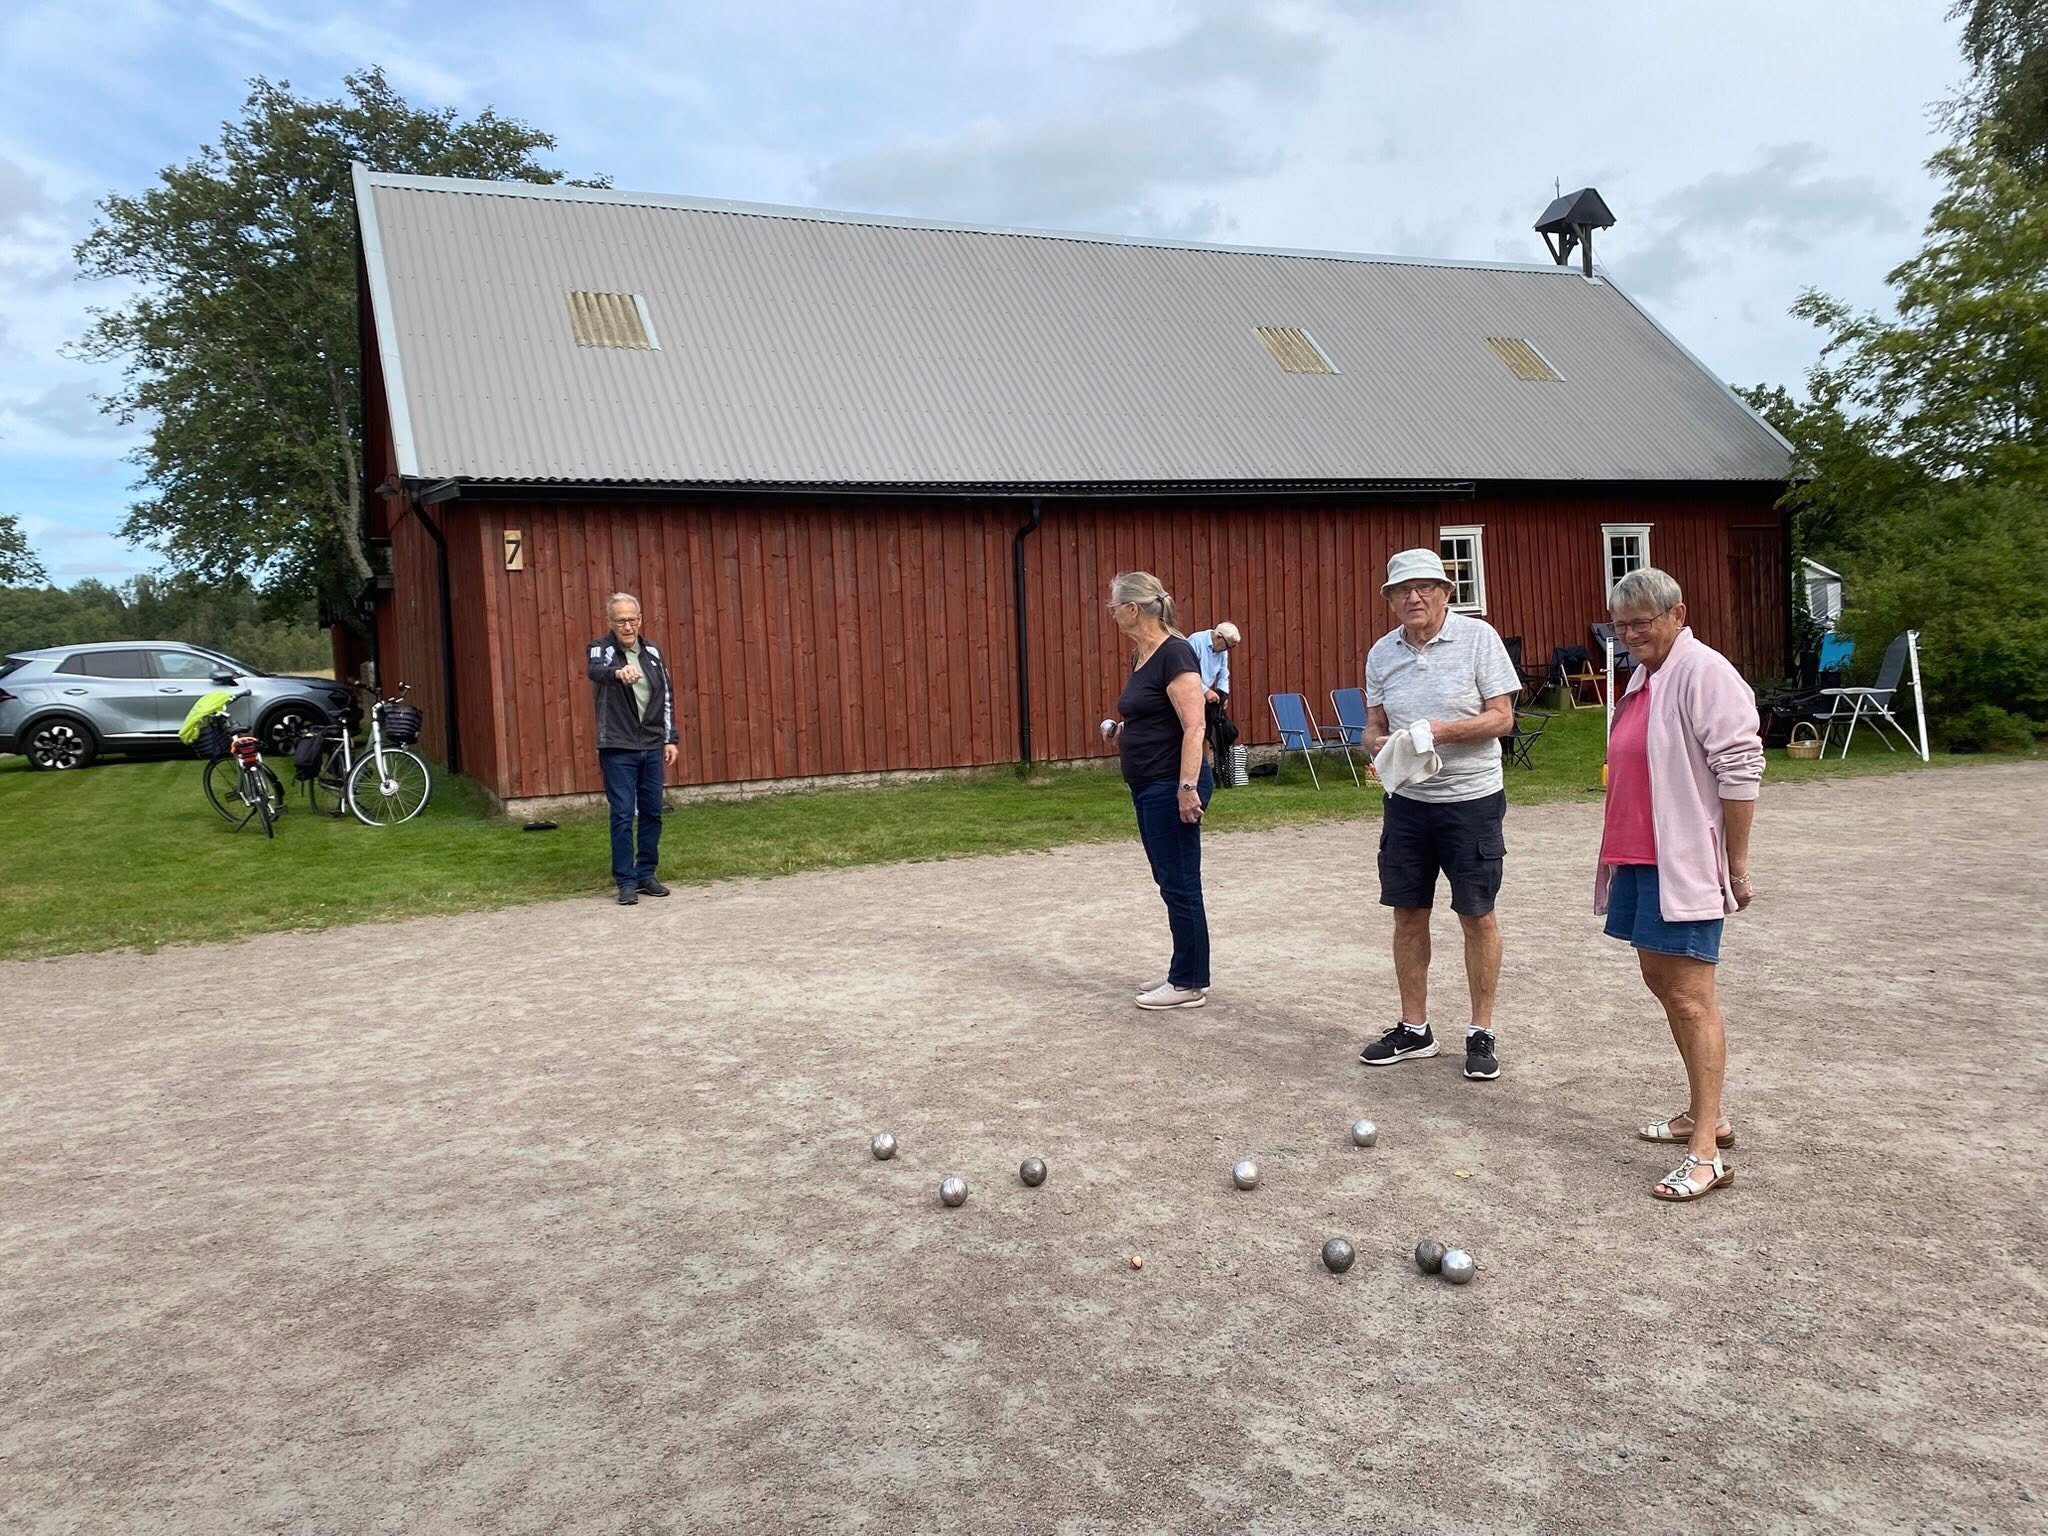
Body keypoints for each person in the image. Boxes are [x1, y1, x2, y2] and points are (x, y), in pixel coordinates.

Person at [1597, 567, 1762, 1202]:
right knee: (1662, 982)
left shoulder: (1704, 672)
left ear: (1677, 615)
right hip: (1641, 857)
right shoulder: (1645, 676)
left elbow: (1741, 769)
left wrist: (1735, 864)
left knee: (1691, 995)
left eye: (1643, 622)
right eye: (1621, 625)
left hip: (1685, 861)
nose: (1631, 634)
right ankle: (1703, 1114)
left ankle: (1707, 1155)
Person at [1358, 549, 1521, 1080]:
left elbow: (1502, 718)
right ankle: (1415, 1028)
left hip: (1472, 800)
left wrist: (1437, 732)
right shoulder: (1381, 653)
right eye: (1402, 590)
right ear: (1389, 599)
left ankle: (1481, 1031)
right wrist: (1378, 744)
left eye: (1425, 587)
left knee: (1476, 914)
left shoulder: (1479, 639)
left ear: (1446, 592)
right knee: (1407, 913)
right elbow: (1373, 725)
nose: (1414, 597)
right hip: (1407, 803)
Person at [1110, 572, 1214, 1010]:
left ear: (1133, 609)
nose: (1111, 613)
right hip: (1148, 780)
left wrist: (1186, 787)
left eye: (1114, 605)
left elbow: (1195, 725)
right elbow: (1156, 714)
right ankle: (1183, 968)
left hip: (1171, 783)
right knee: (1169, 879)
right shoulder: (1142, 654)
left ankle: (1189, 982)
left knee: (1180, 880)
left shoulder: (1175, 653)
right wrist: (1126, 731)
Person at [586, 592, 679, 906]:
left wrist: (670, 738)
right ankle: (625, 881)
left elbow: (666, 695)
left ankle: (646, 874)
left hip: (651, 744)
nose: (627, 626)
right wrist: (618, 672)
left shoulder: (652, 651)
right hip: (617, 746)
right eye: (620, 621)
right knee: (623, 814)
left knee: (652, 811)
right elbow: (595, 670)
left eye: (632, 619)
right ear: (610, 622)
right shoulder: (601, 649)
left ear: (640, 620)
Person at [1188, 621, 1243, 783]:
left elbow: (1223, 673)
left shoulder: (1222, 650)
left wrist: (1223, 694)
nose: (1228, 650)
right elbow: (1187, 672)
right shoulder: (1195, 642)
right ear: (1218, 637)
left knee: (1205, 734)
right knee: (1193, 734)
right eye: (1228, 646)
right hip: (1188, 694)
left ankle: (1204, 775)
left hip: (1205, 698)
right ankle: (1190, 773)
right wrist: (1206, 691)